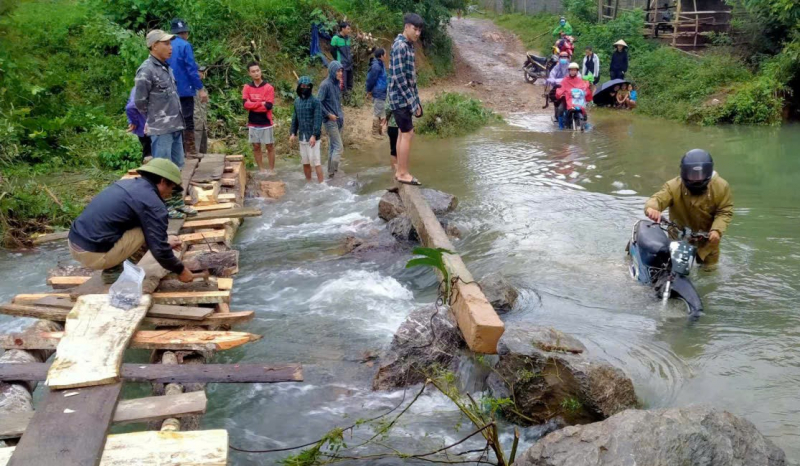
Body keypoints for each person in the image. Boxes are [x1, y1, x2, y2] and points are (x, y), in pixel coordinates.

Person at [68, 159, 194, 284]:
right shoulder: (153, 204)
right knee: (145, 232)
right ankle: (115, 271)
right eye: (171, 187)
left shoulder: (125, 184)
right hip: (93, 254)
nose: (170, 194)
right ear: (162, 181)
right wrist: (181, 270)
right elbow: (159, 250)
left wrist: (164, 240)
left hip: (75, 243)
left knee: (146, 228)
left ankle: (112, 263)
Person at [645, 150, 732, 267]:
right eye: (692, 175)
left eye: (699, 175)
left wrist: (717, 230)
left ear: (708, 172)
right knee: (678, 269)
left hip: (709, 241)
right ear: (684, 172)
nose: (695, 179)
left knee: (709, 271)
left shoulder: (721, 187)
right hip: (679, 239)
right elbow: (658, 198)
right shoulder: (673, 186)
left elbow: (724, 211)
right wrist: (651, 208)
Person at [134, 30, 185, 169]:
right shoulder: (146, 70)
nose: (171, 47)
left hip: (176, 125)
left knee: (177, 167)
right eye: (166, 44)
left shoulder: (166, 67)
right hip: (161, 129)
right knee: (163, 171)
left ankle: (176, 191)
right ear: (154, 46)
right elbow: (139, 101)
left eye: (170, 44)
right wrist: (154, 117)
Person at [388, 13, 424, 186]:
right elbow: (400, 78)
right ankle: (402, 172)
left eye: (419, 30)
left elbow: (411, 79)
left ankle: (399, 170)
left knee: (403, 132)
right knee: (408, 133)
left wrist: (417, 101)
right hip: (400, 98)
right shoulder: (401, 46)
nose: (417, 33)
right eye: (415, 29)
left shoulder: (408, 46)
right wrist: (411, 101)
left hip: (404, 98)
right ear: (407, 27)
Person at [166, 18, 207, 158]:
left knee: (172, 120)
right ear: (185, 32)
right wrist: (200, 88)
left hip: (168, 90)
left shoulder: (165, 45)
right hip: (184, 89)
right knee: (187, 120)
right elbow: (189, 68)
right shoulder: (185, 45)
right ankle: (190, 151)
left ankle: (175, 152)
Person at [242, 62, 275, 173]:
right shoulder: (247, 87)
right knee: (256, 146)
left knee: (269, 146)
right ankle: (261, 169)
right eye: (253, 71)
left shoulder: (268, 87)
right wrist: (260, 103)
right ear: (249, 73)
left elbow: (268, 106)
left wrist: (253, 104)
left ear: (261, 71)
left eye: (257, 70)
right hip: (253, 122)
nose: (256, 73)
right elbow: (245, 105)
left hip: (266, 122)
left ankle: (271, 170)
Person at [290, 76, 324, 183]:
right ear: (299, 87)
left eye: (307, 86)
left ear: (310, 87)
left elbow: (318, 120)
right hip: (302, 136)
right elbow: (295, 118)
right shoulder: (297, 102)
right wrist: (292, 133)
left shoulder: (315, 102)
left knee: (316, 162)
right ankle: (308, 183)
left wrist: (314, 135)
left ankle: (321, 184)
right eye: (303, 86)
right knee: (305, 162)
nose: (305, 88)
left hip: (313, 136)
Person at [318, 61, 345, 178]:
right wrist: (328, 114)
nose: (340, 73)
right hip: (330, 120)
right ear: (332, 71)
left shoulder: (336, 84)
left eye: (341, 71)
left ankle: (331, 172)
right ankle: (334, 170)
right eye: (338, 71)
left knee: (332, 146)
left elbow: (336, 102)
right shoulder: (325, 85)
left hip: (338, 119)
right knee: (339, 147)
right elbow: (318, 103)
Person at [555, 63, 593, 129]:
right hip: (567, 99)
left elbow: (584, 87)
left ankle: (584, 123)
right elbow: (560, 88)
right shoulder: (565, 80)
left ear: (577, 71)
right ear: (569, 71)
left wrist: (587, 90)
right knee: (560, 109)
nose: (573, 71)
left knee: (583, 111)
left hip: (577, 99)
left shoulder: (580, 80)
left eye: (574, 70)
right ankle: (560, 126)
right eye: (571, 70)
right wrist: (560, 93)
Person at [366, 47, 388, 137]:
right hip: (378, 91)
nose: (386, 56)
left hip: (382, 91)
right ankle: (374, 133)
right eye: (385, 54)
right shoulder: (376, 66)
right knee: (377, 111)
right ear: (381, 56)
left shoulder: (380, 64)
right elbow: (370, 80)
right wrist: (369, 90)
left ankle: (379, 131)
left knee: (381, 110)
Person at [125, 87, 151, 161]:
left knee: (148, 151)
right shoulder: (140, 88)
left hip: (145, 127)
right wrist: (134, 122)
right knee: (149, 154)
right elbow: (130, 107)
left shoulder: (136, 88)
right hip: (146, 128)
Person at [331, 22, 354, 100]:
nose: (349, 30)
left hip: (349, 63)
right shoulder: (335, 38)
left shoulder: (348, 38)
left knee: (350, 82)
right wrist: (338, 61)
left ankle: (349, 98)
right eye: (348, 29)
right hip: (341, 64)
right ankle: (343, 99)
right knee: (343, 83)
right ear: (342, 29)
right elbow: (332, 51)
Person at [194, 65, 208, 154]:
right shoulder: (187, 88)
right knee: (194, 152)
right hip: (193, 125)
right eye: (198, 71)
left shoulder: (203, 89)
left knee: (203, 153)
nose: (200, 74)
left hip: (203, 124)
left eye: (202, 72)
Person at [382, 106, 399, 172]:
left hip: (393, 125)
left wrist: (386, 119)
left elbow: (388, 109)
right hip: (404, 126)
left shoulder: (391, 95)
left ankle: (394, 170)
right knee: (400, 149)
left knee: (394, 150)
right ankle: (399, 170)